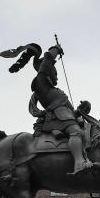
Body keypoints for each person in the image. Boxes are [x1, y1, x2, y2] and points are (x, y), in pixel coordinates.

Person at [29, 45, 95, 175]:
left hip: (66, 117)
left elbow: (72, 112)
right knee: (76, 132)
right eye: (55, 74)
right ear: (49, 72)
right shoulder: (41, 84)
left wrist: (83, 108)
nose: (57, 77)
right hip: (56, 118)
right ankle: (79, 163)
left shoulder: (58, 92)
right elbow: (45, 65)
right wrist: (55, 50)